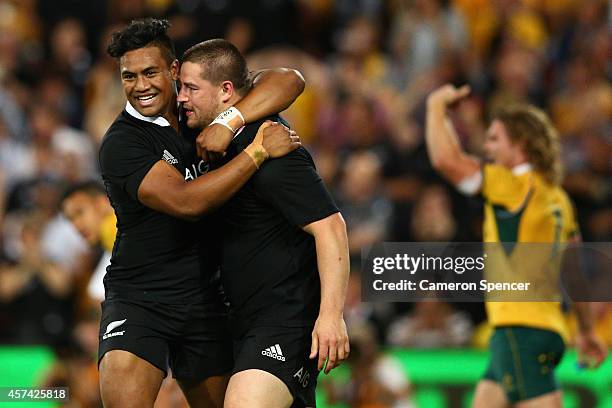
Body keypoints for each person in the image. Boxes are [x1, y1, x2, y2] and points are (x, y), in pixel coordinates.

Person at [98, 18, 305, 408]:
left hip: (207, 300)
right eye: (129, 76)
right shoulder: (122, 143)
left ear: (173, 71)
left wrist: (230, 121)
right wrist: (256, 151)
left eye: (150, 73)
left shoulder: (201, 110)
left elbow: (289, 80)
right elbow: (187, 202)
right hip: (142, 299)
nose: (140, 86)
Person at [178, 39, 350, 408]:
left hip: (284, 320)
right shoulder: (209, 136)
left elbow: (331, 227)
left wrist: (331, 316)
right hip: (236, 320)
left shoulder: (273, 146)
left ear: (226, 92)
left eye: (190, 88)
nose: (181, 98)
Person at [425, 84, 608, 408]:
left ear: (521, 145)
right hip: (541, 330)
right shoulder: (558, 198)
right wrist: (587, 330)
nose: (487, 146)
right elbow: (575, 271)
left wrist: (436, 106)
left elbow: (446, 160)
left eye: (495, 138)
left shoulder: (510, 185)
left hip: (519, 330)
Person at [60, 180, 116, 302]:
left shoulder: (114, 230)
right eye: (71, 219)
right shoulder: (111, 242)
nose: (76, 225)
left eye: (79, 212)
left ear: (102, 203)